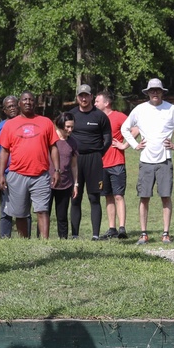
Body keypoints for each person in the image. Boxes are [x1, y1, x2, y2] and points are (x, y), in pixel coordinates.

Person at [120, 79, 174, 244]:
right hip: (146, 160)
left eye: (157, 90)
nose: (154, 93)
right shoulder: (140, 109)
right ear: (147, 93)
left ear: (162, 92)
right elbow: (125, 128)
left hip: (164, 160)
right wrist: (134, 144)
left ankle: (166, 233)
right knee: (144, 197)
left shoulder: (171, 109)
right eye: (151, 91)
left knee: (165, 196)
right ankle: (143, 234)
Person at [0, 91, 60, 239]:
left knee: (43, 210)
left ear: (35, 103)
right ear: (19, 103)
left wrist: (56, 170)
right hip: (17, 174)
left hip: (41, 175)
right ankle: (24, 243)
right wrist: (0, 175)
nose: (28, 102)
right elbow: (4, 151)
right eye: (24, 99)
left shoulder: (46, 122)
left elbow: (54, 147)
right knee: (20, 213)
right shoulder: (10, 125)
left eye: (31, 100)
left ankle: (45, 243)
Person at [68, 84, 112, 240]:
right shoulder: (71, 115)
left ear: (91, 97)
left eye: (86, 95)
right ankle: (74, 234)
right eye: (81, 96)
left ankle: (95, 235)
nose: (84, 98)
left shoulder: (100, 116)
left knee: (94, 197)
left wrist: (99, 153)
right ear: (77, 97)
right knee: (75, 197)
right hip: (75, 159)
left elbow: (108, 138)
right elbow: (62, 134)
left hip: (94, 159)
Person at [0, 96, 31, 238]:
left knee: (25, 210)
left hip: (25, 173)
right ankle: (5, 239)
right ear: (4, 110)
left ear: (19, 106)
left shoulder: (27, 124)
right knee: (5, 210)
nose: (12, 108)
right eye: (9, 106)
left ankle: (26, 239)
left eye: (14, 105)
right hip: (6, 175)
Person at [95, 91, 129, 239]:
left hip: (116, 163)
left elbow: (136, 129)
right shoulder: (96, 118)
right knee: (107, 196)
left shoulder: (119, 116)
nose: (95, 104)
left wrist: (124, 145)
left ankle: (122, 228)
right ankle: (112, 228)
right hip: (101, 165)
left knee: (118, 196)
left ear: (106, 103)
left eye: (97, 101)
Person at [50, 112, 80, 239]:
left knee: (62, 215)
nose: (70, 130)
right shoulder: (51, 139)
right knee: (44, 213)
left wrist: (75, 184)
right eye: (67, 127)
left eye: (72, 127)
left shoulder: (72, 142)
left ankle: (63, 240)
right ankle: (41, 239)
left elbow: (74, 165)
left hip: (65, 183)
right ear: (60, 125)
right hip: (48, 183)